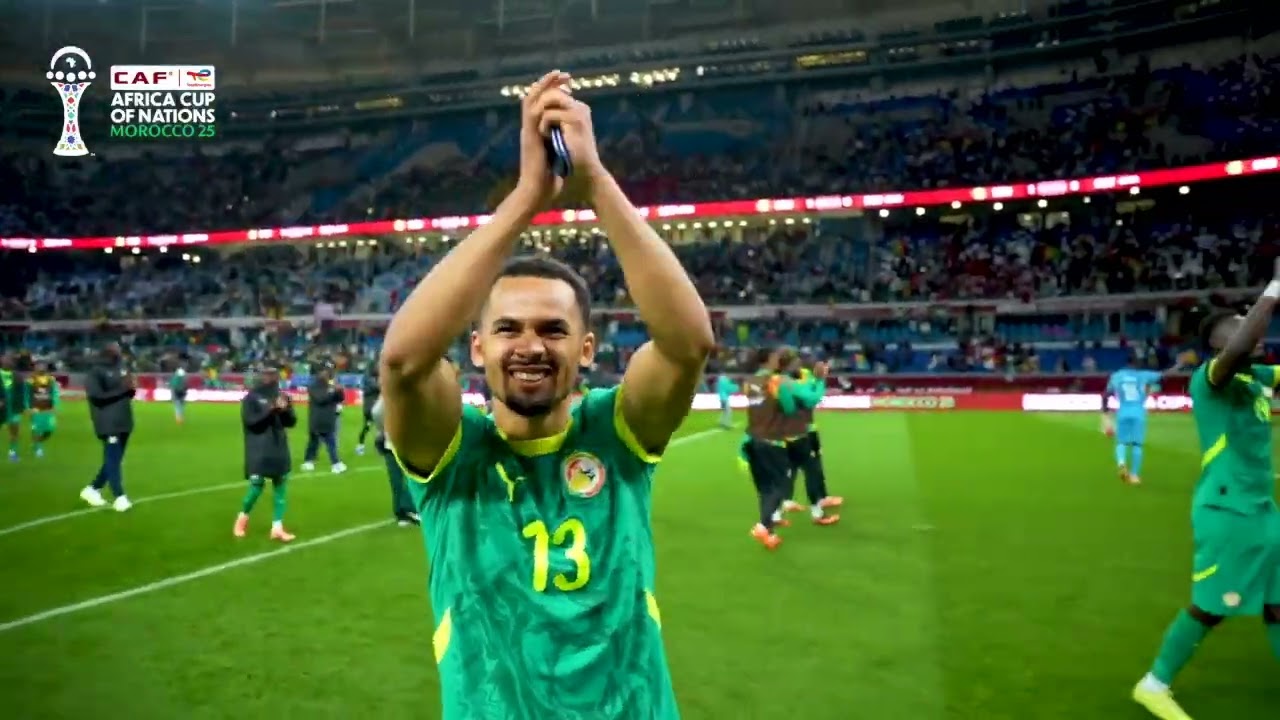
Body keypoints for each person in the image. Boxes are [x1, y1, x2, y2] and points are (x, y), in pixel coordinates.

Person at [379, 70, 713, 720]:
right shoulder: (452, 454)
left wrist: (596, 185)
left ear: (585, 350)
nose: (530, 346)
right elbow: (403, 362)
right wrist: (527, 198)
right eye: (506, 328)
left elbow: (687, 344)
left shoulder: (616, 433)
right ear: (477, 348)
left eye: (554, 330)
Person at [1132, 271, 1280, 720]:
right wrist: (1271, 293)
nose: (1247, 328)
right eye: (1236, 324)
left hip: (1262, 509)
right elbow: (1237, 350)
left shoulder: (1257, 378)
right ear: (1218, 342)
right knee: (1211, 608)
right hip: (1226, 509)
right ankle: (1153, 685)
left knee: (1277, 604)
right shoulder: (1210, 377)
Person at [740, 348, 809, 548]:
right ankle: (762, 526)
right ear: (769, 360)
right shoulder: (776, 381)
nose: (779, 360)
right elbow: (789, 408)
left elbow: (756, 407)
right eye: (776, 357)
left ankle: (768, 532)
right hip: (773, 440)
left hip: (753, 439)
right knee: (780, 486)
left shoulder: (750, 382)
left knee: (765, 489)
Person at [235, 367, 298, 542]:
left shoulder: (280, 395)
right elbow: (252, 423)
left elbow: (291, 422)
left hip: (278, 447)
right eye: (268, 374)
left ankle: (277, 527)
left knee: (281, 487)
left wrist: (286, 409)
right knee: (257, 486)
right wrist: (272, 410)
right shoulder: (251, 398)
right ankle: (242, 518)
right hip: (259, 448)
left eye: (274, 374)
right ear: (261, 377)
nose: (272, 378)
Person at [781, 359, 841, 525]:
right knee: (812, 470)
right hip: (800, 433)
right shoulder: (791, 385)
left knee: (790, 467)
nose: (799, 366)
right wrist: (821, 380)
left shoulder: (781, 382)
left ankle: (778, 512)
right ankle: (817, 510)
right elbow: (812, 398)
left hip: (787, 432)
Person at [79, 343, 136, 512]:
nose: (119, 351)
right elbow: (97, 397)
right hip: (107, 422)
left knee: (114, 460)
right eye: (116, 349)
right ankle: (119, 496)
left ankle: (92, 489)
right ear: (108, 352)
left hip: (124, 420)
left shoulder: (122, 368)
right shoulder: (96, 372)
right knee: (113, 459)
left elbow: (128, 393)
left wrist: (131, 388)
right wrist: (122, 389)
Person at [369, 396, 419, 526]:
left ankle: (401, 513)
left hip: (390, 442)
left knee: (396, 478)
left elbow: (376, 412)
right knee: (412, 476)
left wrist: (383, 430)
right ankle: (409, 509)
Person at [302, 366, 347, 473]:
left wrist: (339, 391)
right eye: (324, 372)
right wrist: (332, 391)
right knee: (323, 442)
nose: (327, 375)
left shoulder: (330, 386)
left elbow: (340, 399)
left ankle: (309, 462)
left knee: (317, 442)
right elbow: (320, 399)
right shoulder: (313, 387)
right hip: (318, 419)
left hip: (327, 418)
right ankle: (335, 464)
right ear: (319, 374)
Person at [25, 362, 59, 459]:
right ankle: (38, 449)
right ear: (35, 368)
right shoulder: (30, 380)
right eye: (38, 366)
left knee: (50, 430)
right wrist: (27, 407)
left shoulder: (51, 380)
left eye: (42, 366)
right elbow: (26, 395)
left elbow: (54, 393)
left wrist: (55, 406)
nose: (40, 367)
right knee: (36, 429)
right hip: (36, 408)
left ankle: (37, 442)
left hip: (48, 409)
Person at [355, 364, 380, 456]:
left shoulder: (373, 379)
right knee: (367, 427)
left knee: (379, 428)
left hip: (375, 408)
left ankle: (378, 447)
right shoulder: (369, 380)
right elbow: (376, 387)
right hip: (370, 408)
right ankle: (360, 446)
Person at [0, 354, 18, 461]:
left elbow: (22, 391)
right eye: (5, 359)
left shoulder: (17, 376)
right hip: (1, 407)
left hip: (13, 408)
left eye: (9, 359)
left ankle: (13, 452)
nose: (7, 361)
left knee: (14, 431)